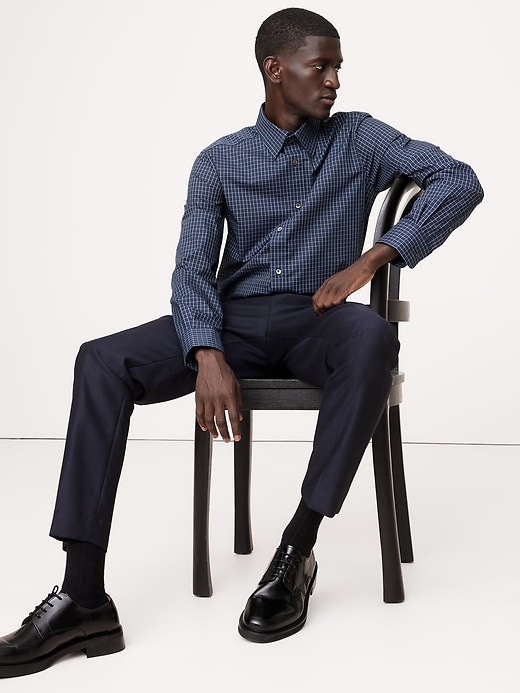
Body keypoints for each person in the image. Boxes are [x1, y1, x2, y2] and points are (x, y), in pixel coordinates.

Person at [0, 7, 483, 678]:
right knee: (101, 360)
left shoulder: (361, 137)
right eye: (321, 67)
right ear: (275, 69)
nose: (335, 80)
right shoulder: (219, 160)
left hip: (319, 319)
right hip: (233, 324)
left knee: (373, 336)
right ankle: (82, 597)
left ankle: (296, 550)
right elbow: (192, 269)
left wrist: (374, 259)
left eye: (339, 68)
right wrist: (207, 352)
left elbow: (460, 180)